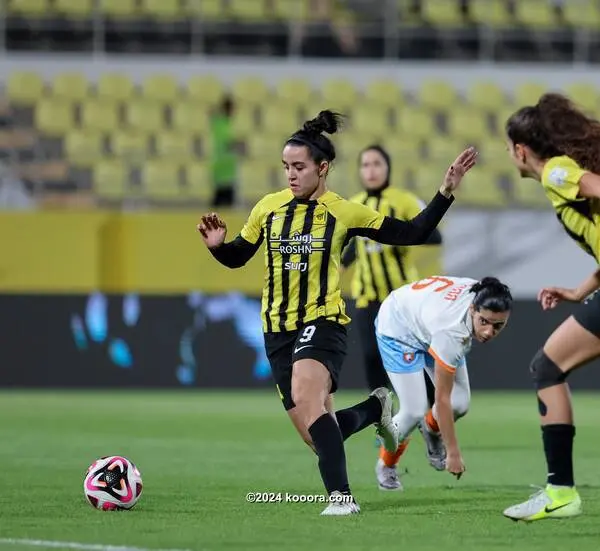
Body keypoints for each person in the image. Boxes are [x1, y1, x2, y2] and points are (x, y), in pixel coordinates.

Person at [197, 109, 478, 515]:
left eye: (298, 167)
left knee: (305, 397)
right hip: (276, 330)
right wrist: (219, 247)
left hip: (323, 321)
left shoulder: (344, 212)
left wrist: (445, 191)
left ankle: (341, 499)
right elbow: (240, 256)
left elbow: (412, 232)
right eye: (285, 167)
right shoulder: (268, 208)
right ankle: (375, 409)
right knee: (317, 435)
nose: (290, 175)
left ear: (323, 168)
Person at [502, 93, 600, 521]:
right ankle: (560, 492)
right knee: (547, 367)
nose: (511, 156)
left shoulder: (556, 171)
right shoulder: (564, 173)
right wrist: (578, 293)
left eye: (510, 149)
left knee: (547, 368)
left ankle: (561, 493)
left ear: (521, 150)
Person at [340, 145, 442, 490]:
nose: (370, 169)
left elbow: (432, 233)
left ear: (388, 167)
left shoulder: (403, 200)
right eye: (365, 163)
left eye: (377, 163)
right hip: (368, 300)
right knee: (374, 370)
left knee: (426, 382)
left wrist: (401, 236)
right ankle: (390, 433)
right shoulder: (353, 205)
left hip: (404, 303)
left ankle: (431, 426)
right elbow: (346, 250)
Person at [374, 275, 512, 487]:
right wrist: (454, 453)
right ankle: (386, 465)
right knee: (413, 410)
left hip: (427, 323)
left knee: (461, 404)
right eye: (483, 322)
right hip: (399, 327)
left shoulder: (483, 294)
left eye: (498, 325)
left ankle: (430, 429)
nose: (488, 332)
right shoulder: (452, 332)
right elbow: (442, 398)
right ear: (473, 309)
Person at [209, 95, 238, 207]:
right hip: (222, 166)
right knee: (222, 201)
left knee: (221, 199)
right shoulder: (221, 124)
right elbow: (227, 143)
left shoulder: (223, 123)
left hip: (226, 167)